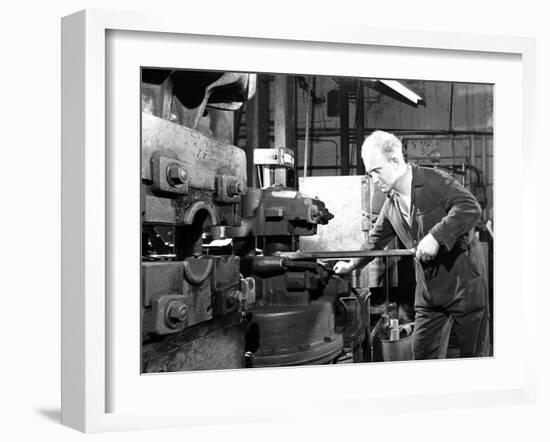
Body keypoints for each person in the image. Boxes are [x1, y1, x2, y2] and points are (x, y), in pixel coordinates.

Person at [334, 130, 490, 359]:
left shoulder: (435, 180)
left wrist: (437, 236)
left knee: (475, 359)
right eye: (370, 174)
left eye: (377, 171)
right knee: (423, 358)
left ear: (396, 160)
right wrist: (351, 265)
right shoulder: (391, 206)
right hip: (428, 294)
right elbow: (374, 242)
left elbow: (470, 207)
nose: (374, 180)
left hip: (464, 286)